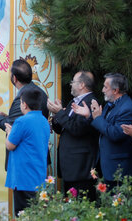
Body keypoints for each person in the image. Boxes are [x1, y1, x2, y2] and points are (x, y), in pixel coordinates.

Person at [73, 72, 132, 187]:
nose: (102, 90)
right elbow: (102, 126)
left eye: (105, 87)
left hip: (120, 169)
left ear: (115, 90)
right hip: (108, 166)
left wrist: (97, 117)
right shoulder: (111, 104)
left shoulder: (128, 108)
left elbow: (115, 134)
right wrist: (89, 116)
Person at [0, 59, 48, 168]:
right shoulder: (41, 93)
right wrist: (5, 116)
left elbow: (13, 126)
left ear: (14, 78)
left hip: (24, 159)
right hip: (38, 155)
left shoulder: (23, 97)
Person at [48, 71, 99, 200]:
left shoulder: (90, 102)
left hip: (81, 167)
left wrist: (60, 113)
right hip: (71, 166)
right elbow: (64, 128)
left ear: (81, 84)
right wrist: (56, 116)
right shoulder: (74, 101)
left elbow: (78, 129)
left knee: (82, 204)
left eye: (73, 82)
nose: (70, 85)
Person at [5, 86, 51, 215]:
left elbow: (10, 145)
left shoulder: (22, 121)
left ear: (24, 104)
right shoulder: (44, 121)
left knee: (23, 214)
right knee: (35, 214)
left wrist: (9, 132)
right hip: (38, 176)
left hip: (23, 178)